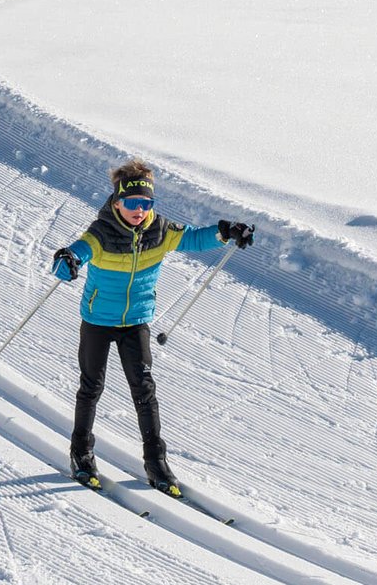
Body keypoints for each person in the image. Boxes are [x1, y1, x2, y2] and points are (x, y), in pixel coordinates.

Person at [52, 159, 255, 497]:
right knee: (92, 387)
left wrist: (225, 232)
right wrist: (67, 261)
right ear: (117, 202)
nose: (139, 210)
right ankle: (82, 453)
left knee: (144, 390)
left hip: (136, 322)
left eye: (147, 204)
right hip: (98, 321)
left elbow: (192, 239)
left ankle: (155, 461)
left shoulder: (159, 230)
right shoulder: (101, 232)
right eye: (132, 203)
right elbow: (77, 252)